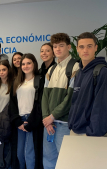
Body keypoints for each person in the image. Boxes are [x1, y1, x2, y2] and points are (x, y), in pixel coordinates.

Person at [42, 33, 79, 169]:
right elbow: (44, 97)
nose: (57, 49)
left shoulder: (75, 67)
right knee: (48, 157)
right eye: (55, 46)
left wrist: (52, 116)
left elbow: (70, 98)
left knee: (65, 158)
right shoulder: (51, 69)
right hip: (49, 124)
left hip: (64, 122)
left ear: (69, 47)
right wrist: (46, 118)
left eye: (61, 46)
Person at [68, 32, 107, 136]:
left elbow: (101, 106)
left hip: (90, 133)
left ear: (96, 48)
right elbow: (75, 102)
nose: (85, 50)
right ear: (77, 49)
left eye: (89, 46)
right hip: (75, 129)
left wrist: (93, 132)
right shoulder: (79, 73)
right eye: (81, 47)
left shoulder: (102, 72)